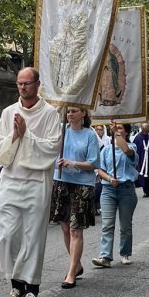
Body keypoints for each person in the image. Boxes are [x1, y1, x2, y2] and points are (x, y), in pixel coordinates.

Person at [0, 67, 62, 297]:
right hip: (11, 179)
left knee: (33, 236)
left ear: (37, 84)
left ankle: (30, 289)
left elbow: (53, 147)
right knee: (8, 235)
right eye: (19, 83)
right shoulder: (9, 111)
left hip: (37, 182)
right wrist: (15, 136)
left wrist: (26, 135)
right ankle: (15, 283)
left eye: (27, 83)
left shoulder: (51, 113)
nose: (22, 87)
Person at [49, 105, 99, 287]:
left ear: (83, 114)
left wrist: (73, 163)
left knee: (75, 229)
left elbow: (93, 163)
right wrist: (58, 163)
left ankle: (71, 273)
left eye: (74, 111)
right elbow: (50, 152)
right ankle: (76, 265)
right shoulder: (61, 131)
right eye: (68, 111)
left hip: (82, 185)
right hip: (61, 182)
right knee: (64, 228)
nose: (70, 114)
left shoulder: (90, 135)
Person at [93, 122, 138, 266]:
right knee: (107, 224)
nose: (116, 131)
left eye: (120, 129)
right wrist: (109, 179)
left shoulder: (132, 147)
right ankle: (105, 256)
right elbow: (99, 169)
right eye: (114, 129)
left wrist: (116, 133)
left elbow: (127, 151)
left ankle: (125, 253)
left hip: (126, 190)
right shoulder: (106, 150)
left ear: (126, 133)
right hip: (108, 190)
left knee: (125, 225)